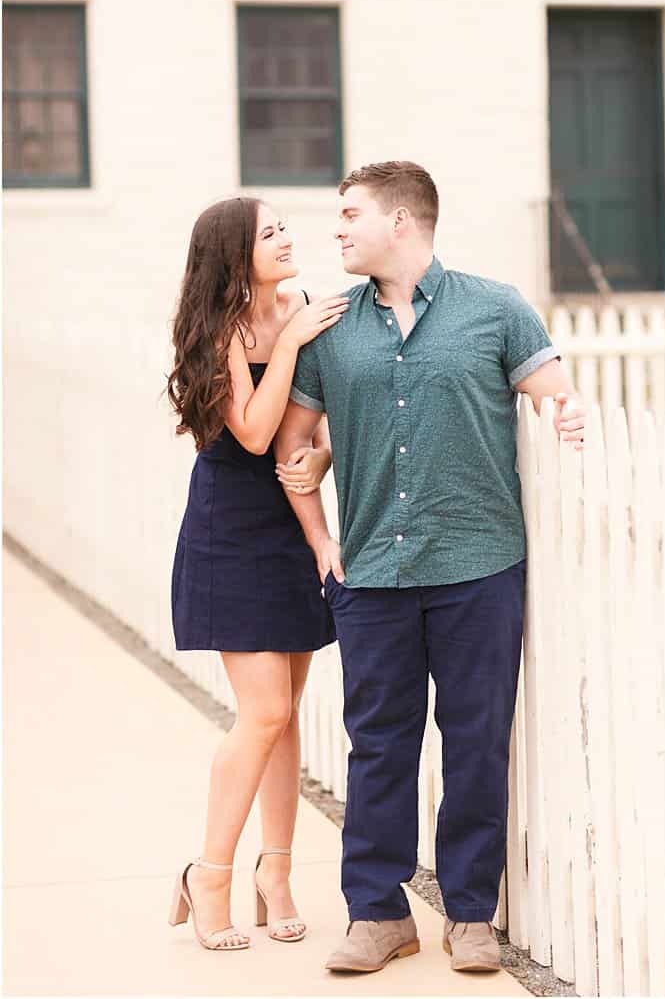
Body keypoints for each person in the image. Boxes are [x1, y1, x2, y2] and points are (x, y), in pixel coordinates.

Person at [271, 161, 586, 975]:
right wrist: (318, 536)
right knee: (377, 745)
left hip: (479, 565)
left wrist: (570, 413)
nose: (336, 230)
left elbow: (555, 393)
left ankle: (470, 915)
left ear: (402, 221)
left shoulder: (495, 308)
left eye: (350, 215)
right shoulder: (328, 327)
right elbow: (293, 441)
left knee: (476, 742)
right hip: (373, 571)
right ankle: (377, 916)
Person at [164, 197, 348, 951]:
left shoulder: (300, 303)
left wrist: (325, 459)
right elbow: (254, 429)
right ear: (235, 254)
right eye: (269, 231)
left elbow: (317, 422)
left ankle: (275, 871)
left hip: (289, 516)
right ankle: (209, 872)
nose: (285, 238)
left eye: (283, 227)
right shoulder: (224, 330)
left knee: (289, 710)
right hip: (231, 528)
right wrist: (296, 338)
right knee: (264, 711)